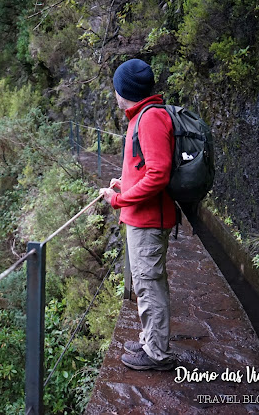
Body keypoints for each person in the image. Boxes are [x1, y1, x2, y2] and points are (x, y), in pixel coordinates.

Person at [99, 58, 176, 371]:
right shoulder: (141, 116)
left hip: (147, 219)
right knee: (147, 282)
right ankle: (150, 339)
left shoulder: (149, 119)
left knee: (149, 283)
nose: (115, 94)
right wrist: (124, 181)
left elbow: (159, 173)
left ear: (124, 91)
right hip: (141, 217)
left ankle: (157, 353)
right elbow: (145, 166)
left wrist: (119, 198)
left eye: (116, 88)